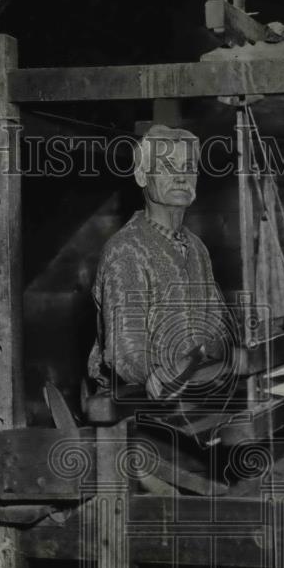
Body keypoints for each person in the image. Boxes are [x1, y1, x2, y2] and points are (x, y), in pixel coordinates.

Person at [87, 125, 231, 400]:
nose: (181, 176)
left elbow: (215, 327)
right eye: (167, 166)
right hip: (134, 408)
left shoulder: (197, 248)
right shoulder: (126, 250)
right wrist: (155, 374)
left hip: (191, 396)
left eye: (189, 167)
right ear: (142, 176)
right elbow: (125, 350)